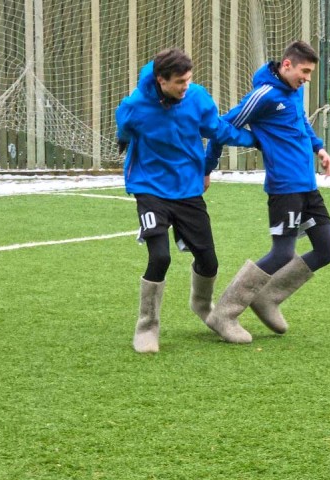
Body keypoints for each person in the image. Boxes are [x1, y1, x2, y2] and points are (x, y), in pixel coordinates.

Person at [115, 48, 258, 353]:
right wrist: (123, 140)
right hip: (149, 187)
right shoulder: (135, 107)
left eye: (189, 80)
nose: (186, 86)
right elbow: (124, 128)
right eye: (180, 81)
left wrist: (255, 140)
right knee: (160, 257)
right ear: (161, 80)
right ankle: (147, 326)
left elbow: (218, 129)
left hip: (188, 189)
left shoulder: (197, 98)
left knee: (208, 260)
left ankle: (206, 308)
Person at [204, 40, 330, 343]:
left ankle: (268, 298)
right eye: (304, 71)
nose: (307, 78)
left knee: (328, 248)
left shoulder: (295, 90)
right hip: (284, 188)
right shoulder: (263, 96)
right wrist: (207, 167)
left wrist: (319, 148)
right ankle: (224, 313)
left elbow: (302, 121)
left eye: (310, 73)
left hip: (307, 185)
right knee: (282, 252)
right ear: (287, 64)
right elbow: (221, 127)